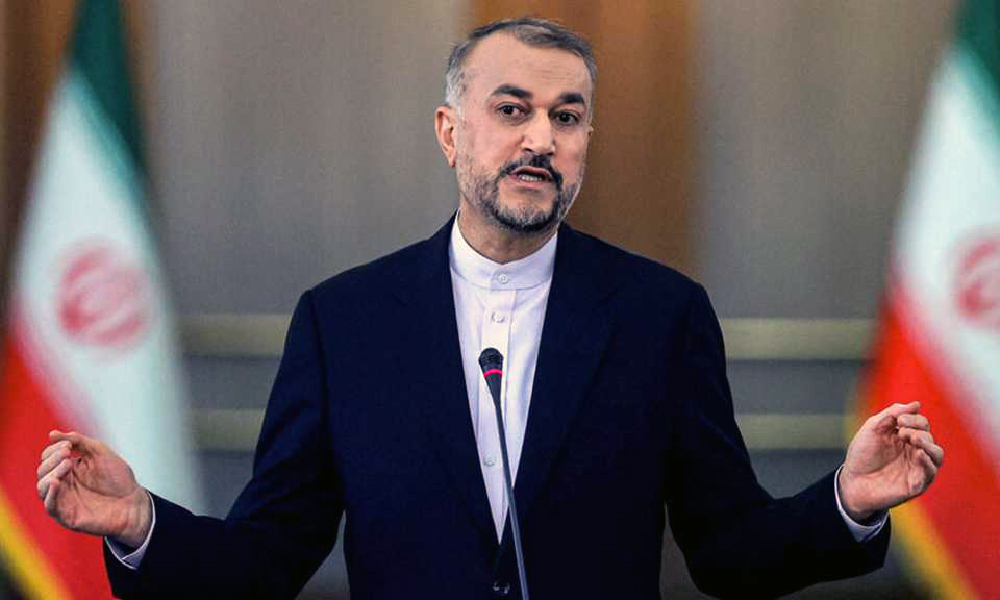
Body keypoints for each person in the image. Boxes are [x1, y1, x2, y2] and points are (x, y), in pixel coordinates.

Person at [35, 17, 944, 600]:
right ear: (450, 132)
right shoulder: (346, 323)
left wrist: (847, 502)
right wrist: (141, 523)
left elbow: (729, 549)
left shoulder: (659, 316)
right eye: (512, 110)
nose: (541, 138)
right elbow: (268, 555)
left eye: (568, 116)